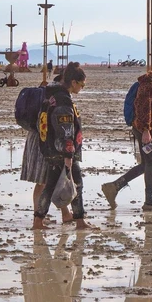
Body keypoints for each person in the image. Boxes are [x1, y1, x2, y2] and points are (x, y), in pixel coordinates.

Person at [102, 63, 152, 211]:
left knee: (146, 164)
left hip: (151, 131)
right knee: (150, 163)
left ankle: (113, 187)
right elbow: (143, 108)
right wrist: (146, 130)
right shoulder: (150, 84)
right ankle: (150, 201)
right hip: (145, 130)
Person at [32, 62, 93, 230]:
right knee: (77, 184)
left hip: (51, 149)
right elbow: (65, 131)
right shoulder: (63, 101)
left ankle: (38, 221)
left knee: (50, 186)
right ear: (73, 82)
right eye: (82, 85)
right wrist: (68, 157)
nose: (82, 88)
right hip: (61, 152)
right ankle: (80, 221)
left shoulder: (51, 96)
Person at [21, 72, 73, 224]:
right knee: (43, 180)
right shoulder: (55, 96)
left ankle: (63, 213)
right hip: (43, 140)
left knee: (51, 178)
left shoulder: (48, 92)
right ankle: (39, 216)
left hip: (38, 137)